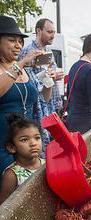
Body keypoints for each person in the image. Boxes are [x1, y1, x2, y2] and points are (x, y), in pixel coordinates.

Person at [0, 16, 43, 177]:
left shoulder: (21, 68)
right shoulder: (20, 66)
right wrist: (21, 64)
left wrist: (49, 80)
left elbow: (40, 99)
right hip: (4, 146)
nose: (18, 45)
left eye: (20, 41)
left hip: (27, 148)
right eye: (12, 40)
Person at [19, 18, 64, 147]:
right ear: (38, 31)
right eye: (49, 31)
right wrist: (51, 78)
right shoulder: (29, 52)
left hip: (49, 107)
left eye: (54, 32)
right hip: (39, 110)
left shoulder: (47, 51)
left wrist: (54, 76)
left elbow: (47, 77)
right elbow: (29, 83)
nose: (53, 35)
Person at [0, 114, 43, 204]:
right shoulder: (12, 175)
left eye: (37, 138)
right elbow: (4, 206)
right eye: (24, 140)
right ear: (12, 147)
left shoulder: (45, 163)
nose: (33, 143)